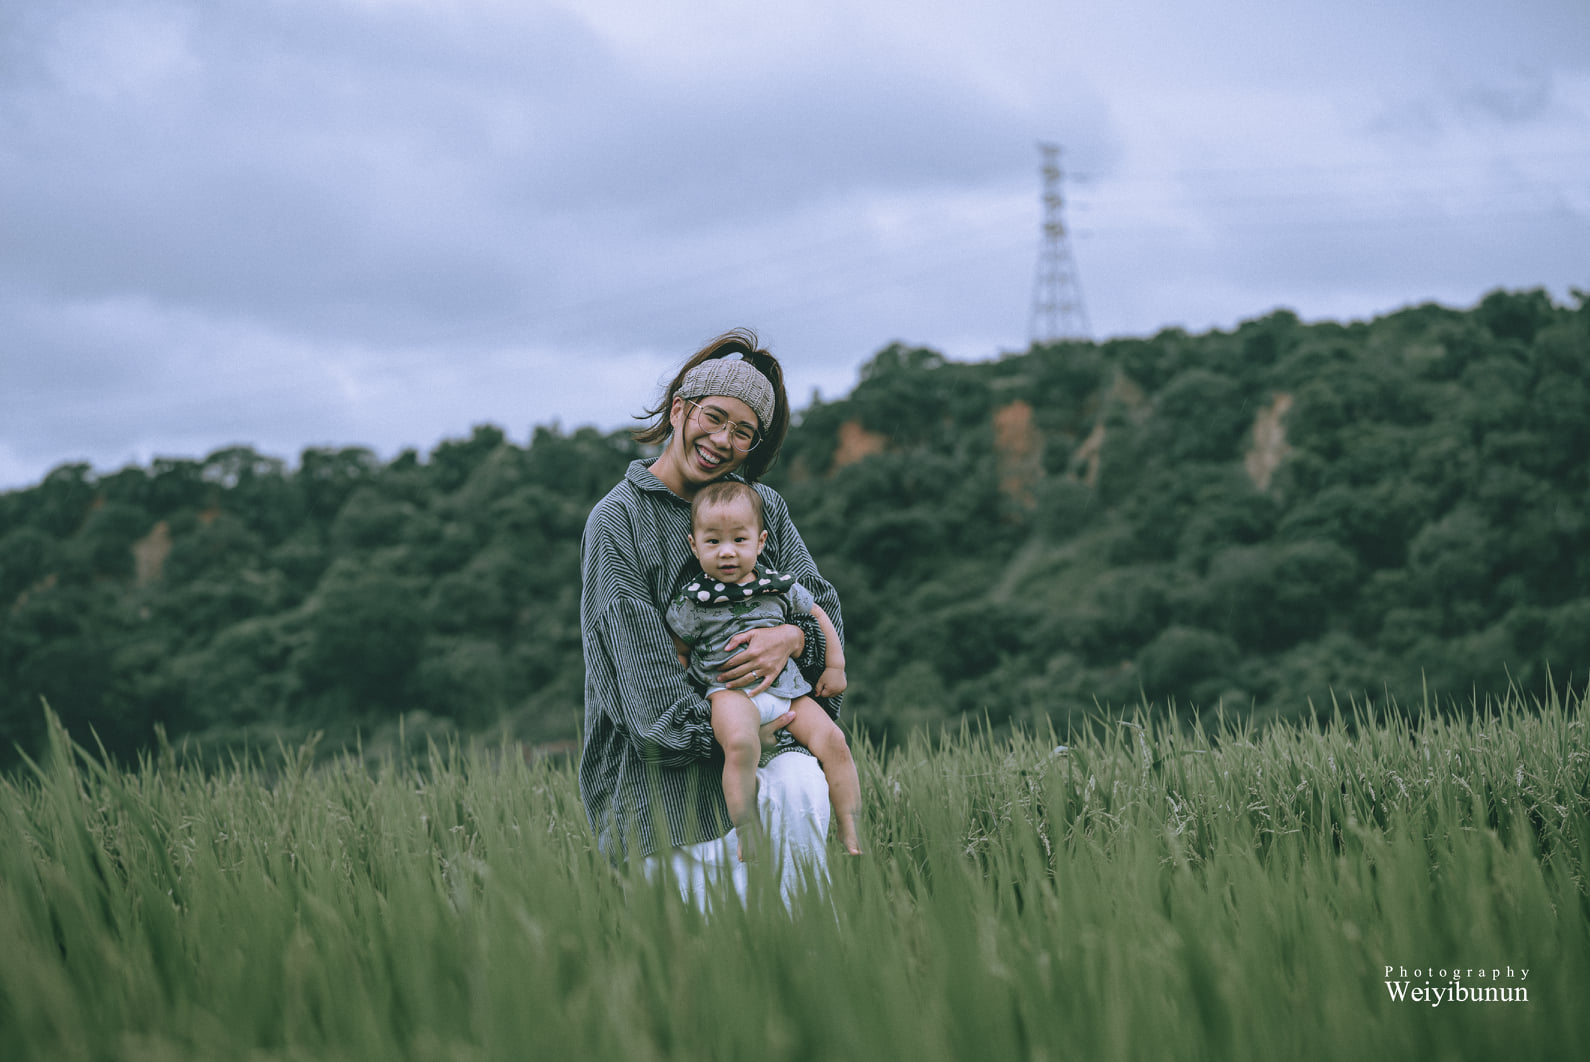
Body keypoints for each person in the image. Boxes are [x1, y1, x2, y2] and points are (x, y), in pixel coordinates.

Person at [578, 329, 846, 905]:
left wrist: (794, 637)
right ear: (680, 410)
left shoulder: (763, 508)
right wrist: (748, 727)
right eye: (714, 417)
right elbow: (649, 711)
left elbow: (825, 613)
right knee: (700, 960)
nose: (723, 440)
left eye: (743, 432)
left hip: (777, 780)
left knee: (803, 944)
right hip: (667, 808)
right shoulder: (619, 523)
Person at [666, 480, 860, 861]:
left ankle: (849, 823)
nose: (727, 552)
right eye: (712, 541)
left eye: (739, 540)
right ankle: (746, 827)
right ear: (694, 546)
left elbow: (816, 614)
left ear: (760, 542)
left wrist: (835, 665)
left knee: (834, 741)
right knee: (740, 745)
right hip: (730, 693)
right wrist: (690, 695)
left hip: (788, 690)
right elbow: (679, 651)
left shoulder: (778, 586)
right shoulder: (693, 601)